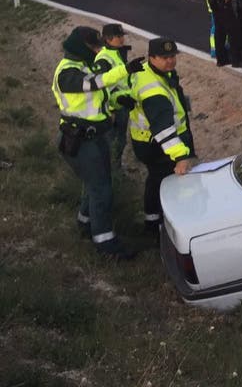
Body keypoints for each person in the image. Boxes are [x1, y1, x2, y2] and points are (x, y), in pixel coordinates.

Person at [52, 25, 139, 260]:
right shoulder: (67, 73)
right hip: (79, 141)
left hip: (93, 137)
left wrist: (121, 100)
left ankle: (85, 222)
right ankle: (105, 242)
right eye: (94, 45)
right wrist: (126, 70)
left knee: (95, 184)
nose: (99, 49)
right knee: (101, 189)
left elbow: (103, 97)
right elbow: (94, 84)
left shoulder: (82, 66)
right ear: (81, 47)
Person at [128, 37, 197, 232]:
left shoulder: (150, 71)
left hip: (148, 141)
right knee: (166, 183)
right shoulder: (154, 90)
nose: (170, 61)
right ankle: (160, 227)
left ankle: (152, 220)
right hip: (157, 145)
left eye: (173, 56)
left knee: (156, 179)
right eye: (165, 57)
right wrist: (181, 157)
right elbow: (162, 128)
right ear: (152, 57)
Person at [93, 22, 134, 169]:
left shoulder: (117, 53)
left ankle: (116, 169)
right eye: (118, 36)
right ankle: (112, 172)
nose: (122, 39)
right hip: (114, 109)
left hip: (124, 104)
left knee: (120, 140)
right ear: (108, 39)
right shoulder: (104, 59)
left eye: (122, 35)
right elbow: (101, 87)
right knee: (113, 142)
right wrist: (114, 105)